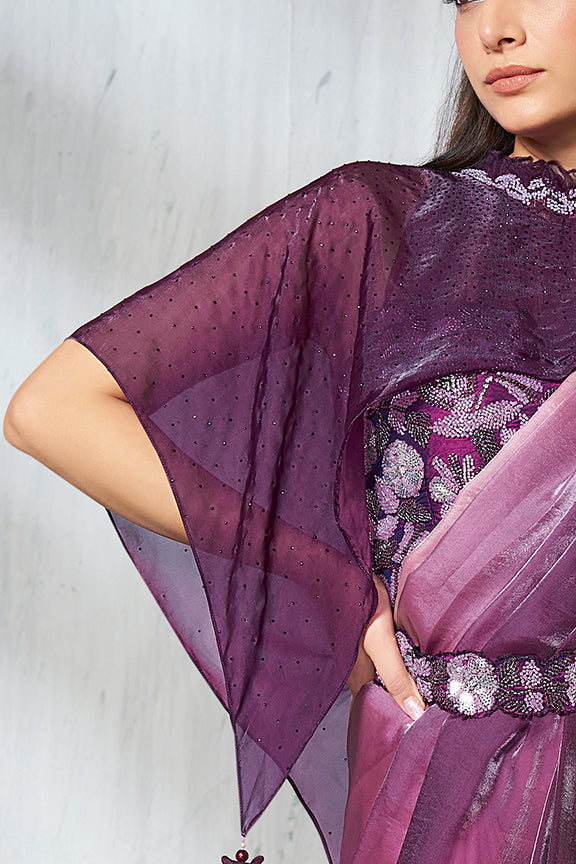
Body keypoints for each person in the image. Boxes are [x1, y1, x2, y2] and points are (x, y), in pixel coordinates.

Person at [5, 0, 576, 860]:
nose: (493, 28)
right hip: (451, 797)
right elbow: (53, 409)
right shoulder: (386, 223)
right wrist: (321, 573)